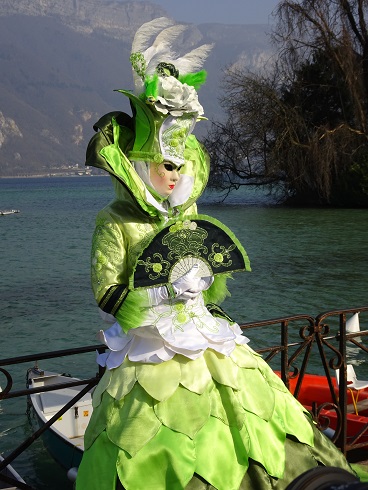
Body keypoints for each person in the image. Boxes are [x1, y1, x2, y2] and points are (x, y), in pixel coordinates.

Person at [76, 17, 357, 490]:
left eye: (179, 165)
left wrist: (202, 282)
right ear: (140, 164)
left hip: (209, 336)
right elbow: (106, 289)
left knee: (252, 412)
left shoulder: (188, 214)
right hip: (148, 347)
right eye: (164, 165)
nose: (172, 175)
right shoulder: (115, 221)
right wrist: (155, 292)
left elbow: (211, 271)